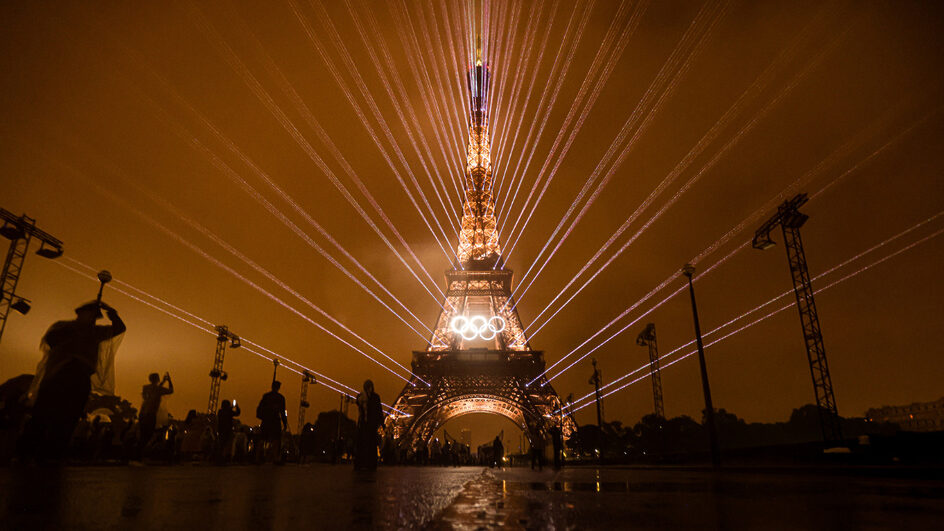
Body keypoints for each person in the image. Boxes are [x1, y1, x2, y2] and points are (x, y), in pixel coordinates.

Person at [19, 301, 125, 462]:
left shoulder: (96, 332)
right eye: (91, 314)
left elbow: (119, 328)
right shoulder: (63, 327)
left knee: (69, 418)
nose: (93, 318)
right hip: (59, 375)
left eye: (96, 316)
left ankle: (53, 456)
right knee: (42, 414)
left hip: (80, 378)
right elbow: (51, 340)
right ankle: (26, 453)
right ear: (79, 313)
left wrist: (112, 313)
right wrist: (77, 336)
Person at [353, 379, 383, 470]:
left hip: (370, 423)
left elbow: (378, 410)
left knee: (370, 444)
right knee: (364, 444)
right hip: (364, 423)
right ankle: (363, 463)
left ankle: (369, 463)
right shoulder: (362, 396)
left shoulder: (374, 397)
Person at [139, 372, 173, 451]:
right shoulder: (158, 389)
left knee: (143, 434)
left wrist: (163, 382)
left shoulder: (146, 387)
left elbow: (154, 391)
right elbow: (170, 390)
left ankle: (139, 452)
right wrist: (169, 381)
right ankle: (144, 452)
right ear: (157, 379)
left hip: (143, 413)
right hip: (151, 414)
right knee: (149, 434)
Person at [256, 381, 287, 463]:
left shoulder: (266, 396)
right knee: (276, 440)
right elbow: (283, 411)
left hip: (266, 419)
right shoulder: (280, 398)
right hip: (275, 420)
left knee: (263, 438)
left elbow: (260, 407)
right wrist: (285, 423)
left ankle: (258, 457)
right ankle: (275, 458)